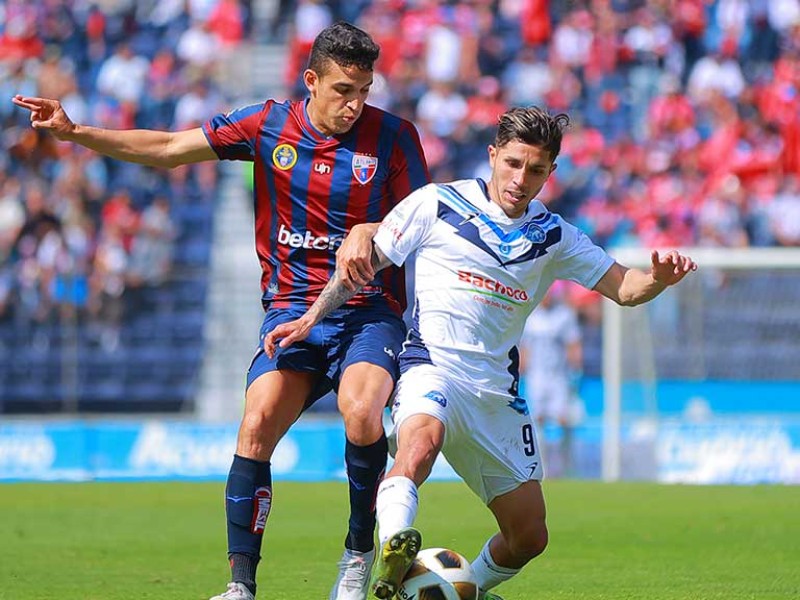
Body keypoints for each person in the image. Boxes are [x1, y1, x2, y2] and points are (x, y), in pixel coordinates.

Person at [13, 21, 430, 600]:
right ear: (311, 80)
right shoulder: (268, 126)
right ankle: (241, 586)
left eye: (364, 90)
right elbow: (167, 149)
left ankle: (357, 554)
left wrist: (372, 227)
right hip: (290, 308)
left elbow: (421, 221)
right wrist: (76, 132)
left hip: (369, 309)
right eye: (342, 91)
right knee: (256, 421)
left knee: (362, 415)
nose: (354, 104)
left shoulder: (394, 136)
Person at [264, 106, 697, 599]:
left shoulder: (555, 237)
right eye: (513, 163)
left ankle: (467, 589)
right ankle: (392, 549)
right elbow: (363, 264)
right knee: (417, 447)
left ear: (550, 172)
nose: (521, 179)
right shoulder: (436, 204)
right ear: (493, 155)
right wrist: (309, 317)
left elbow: (626, 288)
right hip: (431, 367)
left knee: (529, 536)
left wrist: (658, 280)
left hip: (496, 397)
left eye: (535, 170)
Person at [519, 284, 583, 477]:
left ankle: (565, 464)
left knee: (563, 420)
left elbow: (573, 344)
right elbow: (524, 347)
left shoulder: (564, 315)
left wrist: (576, 369)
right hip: (536, 376)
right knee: (537, 420)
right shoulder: (530, 316)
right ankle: (542, 467)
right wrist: (521, 370)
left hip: (559, 376)